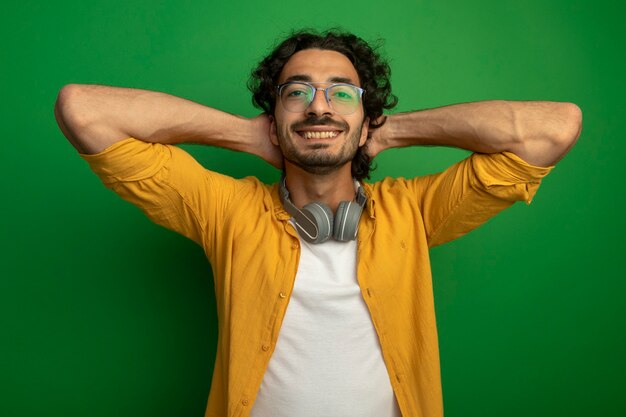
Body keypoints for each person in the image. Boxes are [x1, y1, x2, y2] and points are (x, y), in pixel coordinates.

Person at [54, 30, 581, 417]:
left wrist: (390, 131)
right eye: (297, 92)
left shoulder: (415, 212)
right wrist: (244, 134)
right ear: (274, 118)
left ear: (366, 115)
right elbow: (83, 111)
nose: (319, 107)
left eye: (341, 93)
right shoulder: (225, 211)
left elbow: (555, 128)